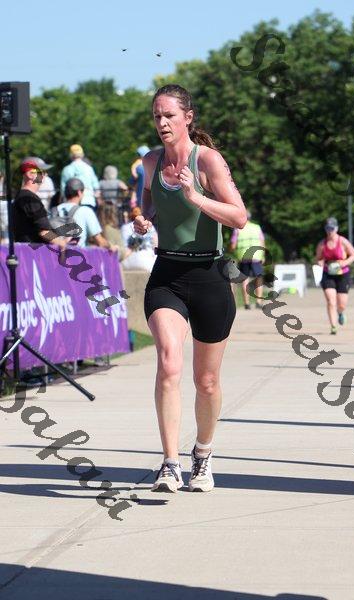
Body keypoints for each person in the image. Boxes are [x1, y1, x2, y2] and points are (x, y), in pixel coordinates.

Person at [133, 84, 247, 493]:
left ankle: (203, 453)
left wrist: (195, 197)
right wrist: (144, 218)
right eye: (157, 116)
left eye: (169, 115)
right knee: (169, 364)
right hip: (167, 275)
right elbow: (147, 201)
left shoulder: (208, 160)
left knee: (207, 381)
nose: (162, 123)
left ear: (188, 118)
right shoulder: (151, 162)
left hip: (209, 276)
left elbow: (239, 216)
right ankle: (169, 463)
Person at [12, 157, 68, 250]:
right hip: (32, 253)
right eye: (42, 172)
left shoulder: (21, 196)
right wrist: (61, 242)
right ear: (30, 174)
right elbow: (44, 232)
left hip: (24, 251)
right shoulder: (30, 199)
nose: (45, 175)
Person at [315, 216, 354, 335]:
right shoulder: (322, 244)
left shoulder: (343, 241)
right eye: (327, 228)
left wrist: (344, 262)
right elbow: (318, 258)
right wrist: (320, 262)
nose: (330, 231)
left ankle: (340, 312)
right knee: (331, 301)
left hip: (343, 274)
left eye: (332, 228)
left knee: (341, 304)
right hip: (328, 274)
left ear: (336, 228)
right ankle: (333, 326)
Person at [56, 178, 118, 251]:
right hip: (74, 255)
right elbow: (100, 241)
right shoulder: (85, 211)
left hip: (53, 255)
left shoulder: (54, 210)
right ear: (79, 192)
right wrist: (111, 246)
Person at [229, 210, 265, 309]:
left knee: (245, 279)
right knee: (259, 278)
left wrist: (231, 250)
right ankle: (259, 301)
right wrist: (263, 256)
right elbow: (262, 242)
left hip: (244, 257)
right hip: (256, 256)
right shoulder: (257, 227)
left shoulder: (237, 229)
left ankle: (246, 303)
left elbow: (233, 245)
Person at [60, 144, 100, 209]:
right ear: (82, 154)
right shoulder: (89, 168)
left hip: (72, 204)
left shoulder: (66, 169)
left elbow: (63, 190)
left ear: (71, 155)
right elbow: (97, 188)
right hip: (89, 201)